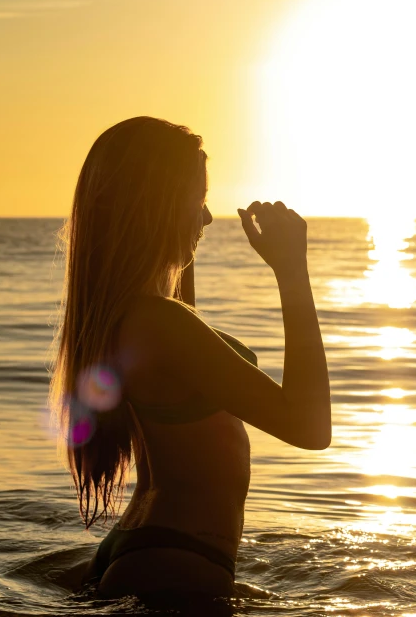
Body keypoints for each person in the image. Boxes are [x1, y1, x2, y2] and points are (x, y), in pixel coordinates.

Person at [49, 116, 331, 602]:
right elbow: (309, 427)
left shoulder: (132, 316)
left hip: (148, 552)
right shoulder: (161, 324)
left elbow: (181, 306)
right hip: (174, 564)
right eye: (197, 200)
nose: (207, 218)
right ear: (156, 206)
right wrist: (291, 272)